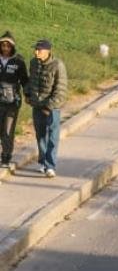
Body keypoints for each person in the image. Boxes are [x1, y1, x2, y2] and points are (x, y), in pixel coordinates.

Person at [26, 39, 66, 178]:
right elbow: (30, 81)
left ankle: (50, 166)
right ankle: (43, 162)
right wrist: (27, 94)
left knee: (53, 137)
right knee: (40, 135)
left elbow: (60, 89)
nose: (36, 52)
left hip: (52, 108)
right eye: (35, 49)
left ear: (48, 51)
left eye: (39, 50)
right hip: (37, 106)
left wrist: (49, 107)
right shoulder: (33, 63)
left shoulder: (57, 65)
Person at [0, 31, 28, 171]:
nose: (5, 48)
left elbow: (25, 81)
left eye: (8, 46)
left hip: (12, 103)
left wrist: (28, 95)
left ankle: (6, 156)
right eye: (3, 45)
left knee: (7, 130)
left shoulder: (18, 62)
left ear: (12, 47)